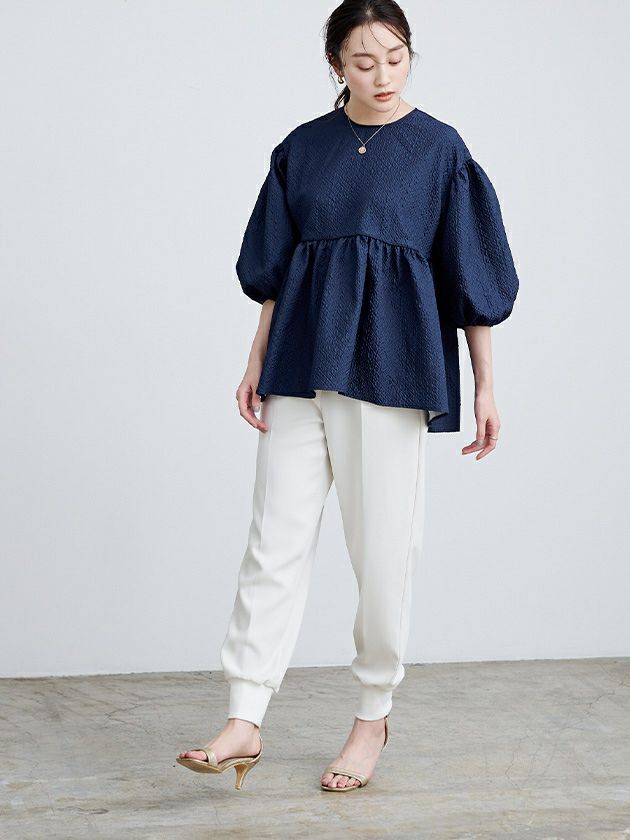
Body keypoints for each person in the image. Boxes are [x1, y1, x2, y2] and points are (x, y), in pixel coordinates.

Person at [176, 0, 519, 792]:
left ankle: (372, 715)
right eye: (364, 61)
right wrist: (255, 359)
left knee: (382, 551)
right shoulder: (303, 148)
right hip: (300, 357)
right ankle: (245, 714)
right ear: (336, 65)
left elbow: (470, 275)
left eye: (396, 57)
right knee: (274, 538)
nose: (383, 75)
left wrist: (487, 385)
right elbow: (274, 267)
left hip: (394, 366)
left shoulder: (440, 150)